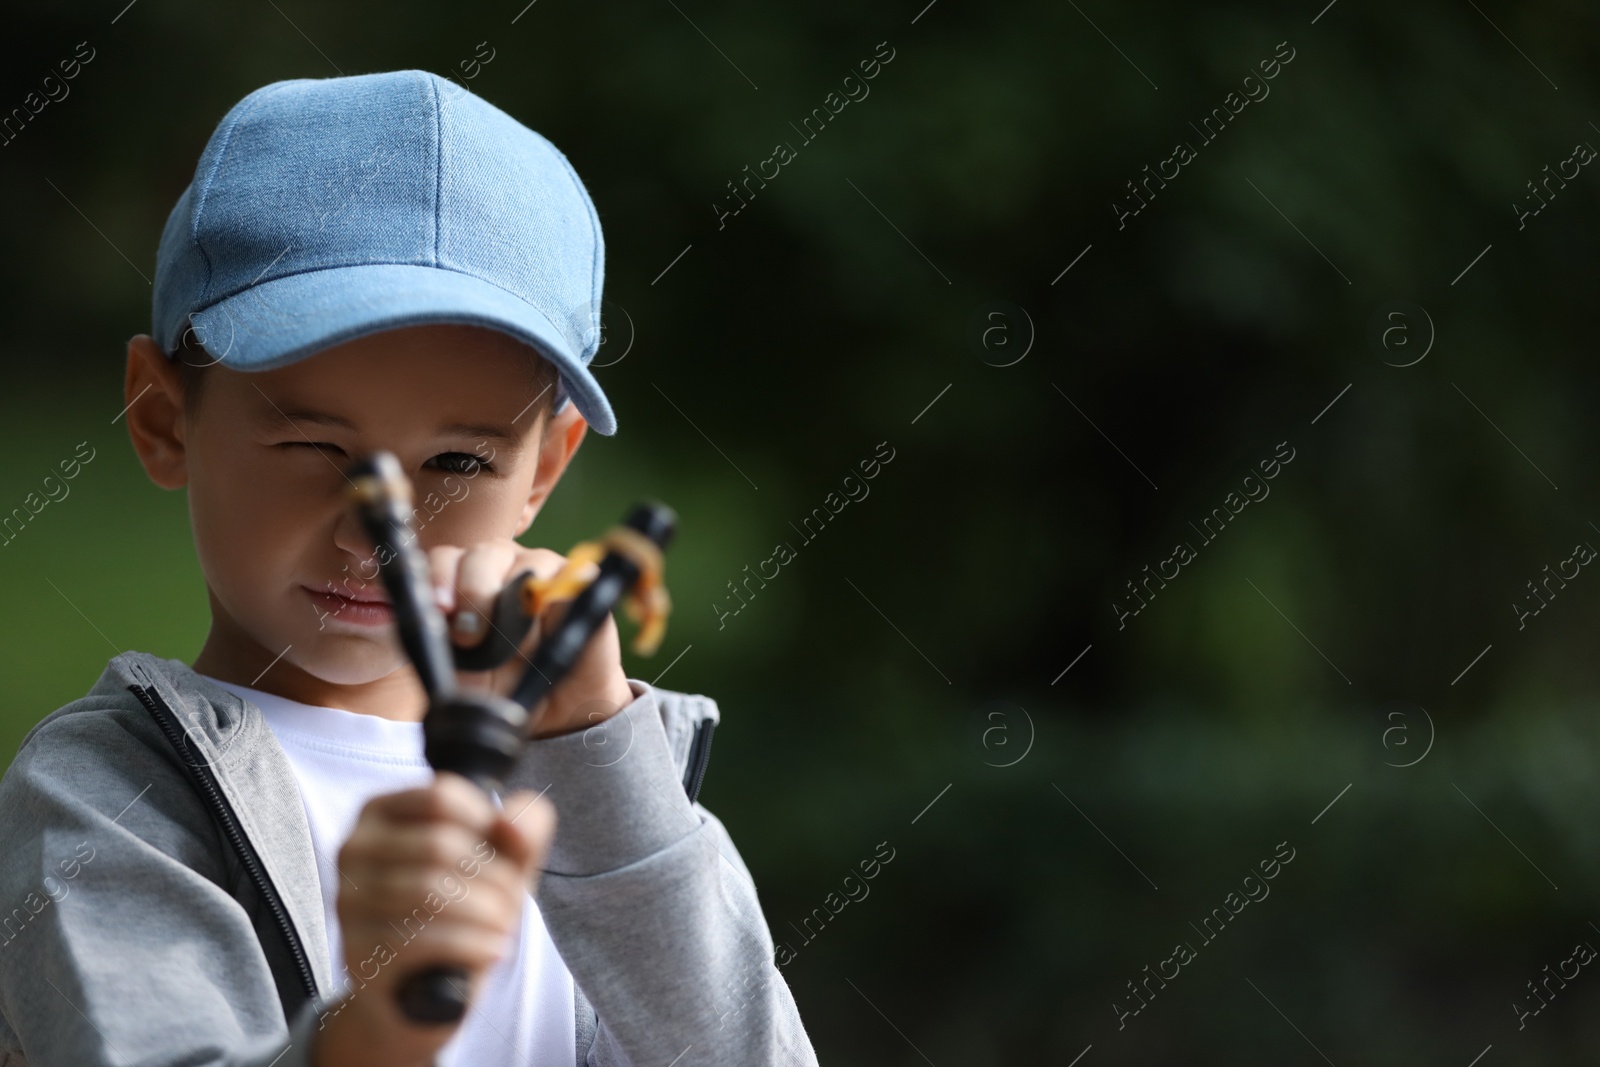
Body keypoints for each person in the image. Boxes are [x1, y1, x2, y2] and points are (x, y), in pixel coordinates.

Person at [0, 70, 817, 1067]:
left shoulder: (611, 794)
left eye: (458, 462)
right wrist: (374, 1027)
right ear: (165, 418)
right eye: (312, 447)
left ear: (544, 469)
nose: (375, 536)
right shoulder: (106, 798)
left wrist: (604, 762)